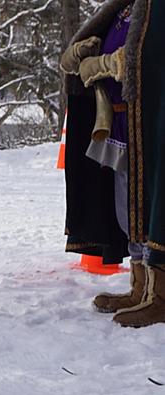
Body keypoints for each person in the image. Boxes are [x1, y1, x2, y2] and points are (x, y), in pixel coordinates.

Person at [61, 0, 164, 327]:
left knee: (152, 208)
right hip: (121, 125)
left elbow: (148, 60)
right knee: (127, 209)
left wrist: (105, 64)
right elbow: (70, 61)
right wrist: (79, 56)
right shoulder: (121, 9)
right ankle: (141, 288)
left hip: (152, 124)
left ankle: (160, 295)